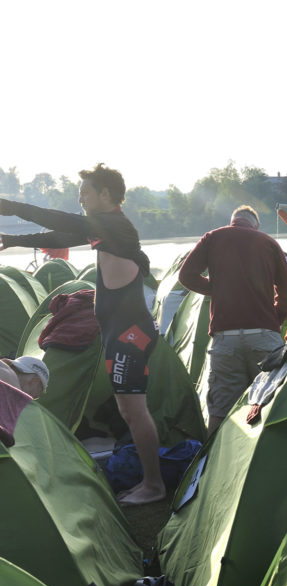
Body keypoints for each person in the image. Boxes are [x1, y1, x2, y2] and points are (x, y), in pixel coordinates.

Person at [0, 163, 165, 505]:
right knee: (129, 410)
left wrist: (12, 207)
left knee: (134, 411)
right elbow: (61, 237)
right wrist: (13, 240)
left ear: (105, 194)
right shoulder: (106, 228)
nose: (80, 198)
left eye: (85, 192)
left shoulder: (115, 225)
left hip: (130, 334)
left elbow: (59, 220)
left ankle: (154, 485)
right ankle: (149, 481)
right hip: (120, 332)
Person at [179, 205, 287, 435]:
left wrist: (216, 289)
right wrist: (276, 319)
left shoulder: (212, 238)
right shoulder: (268, 242)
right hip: (264, 335)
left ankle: (211, 457)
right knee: (273, 405)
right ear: (256, 225)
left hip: (225, 337)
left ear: (232, 221)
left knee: (220, 410)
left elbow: (186, 275)